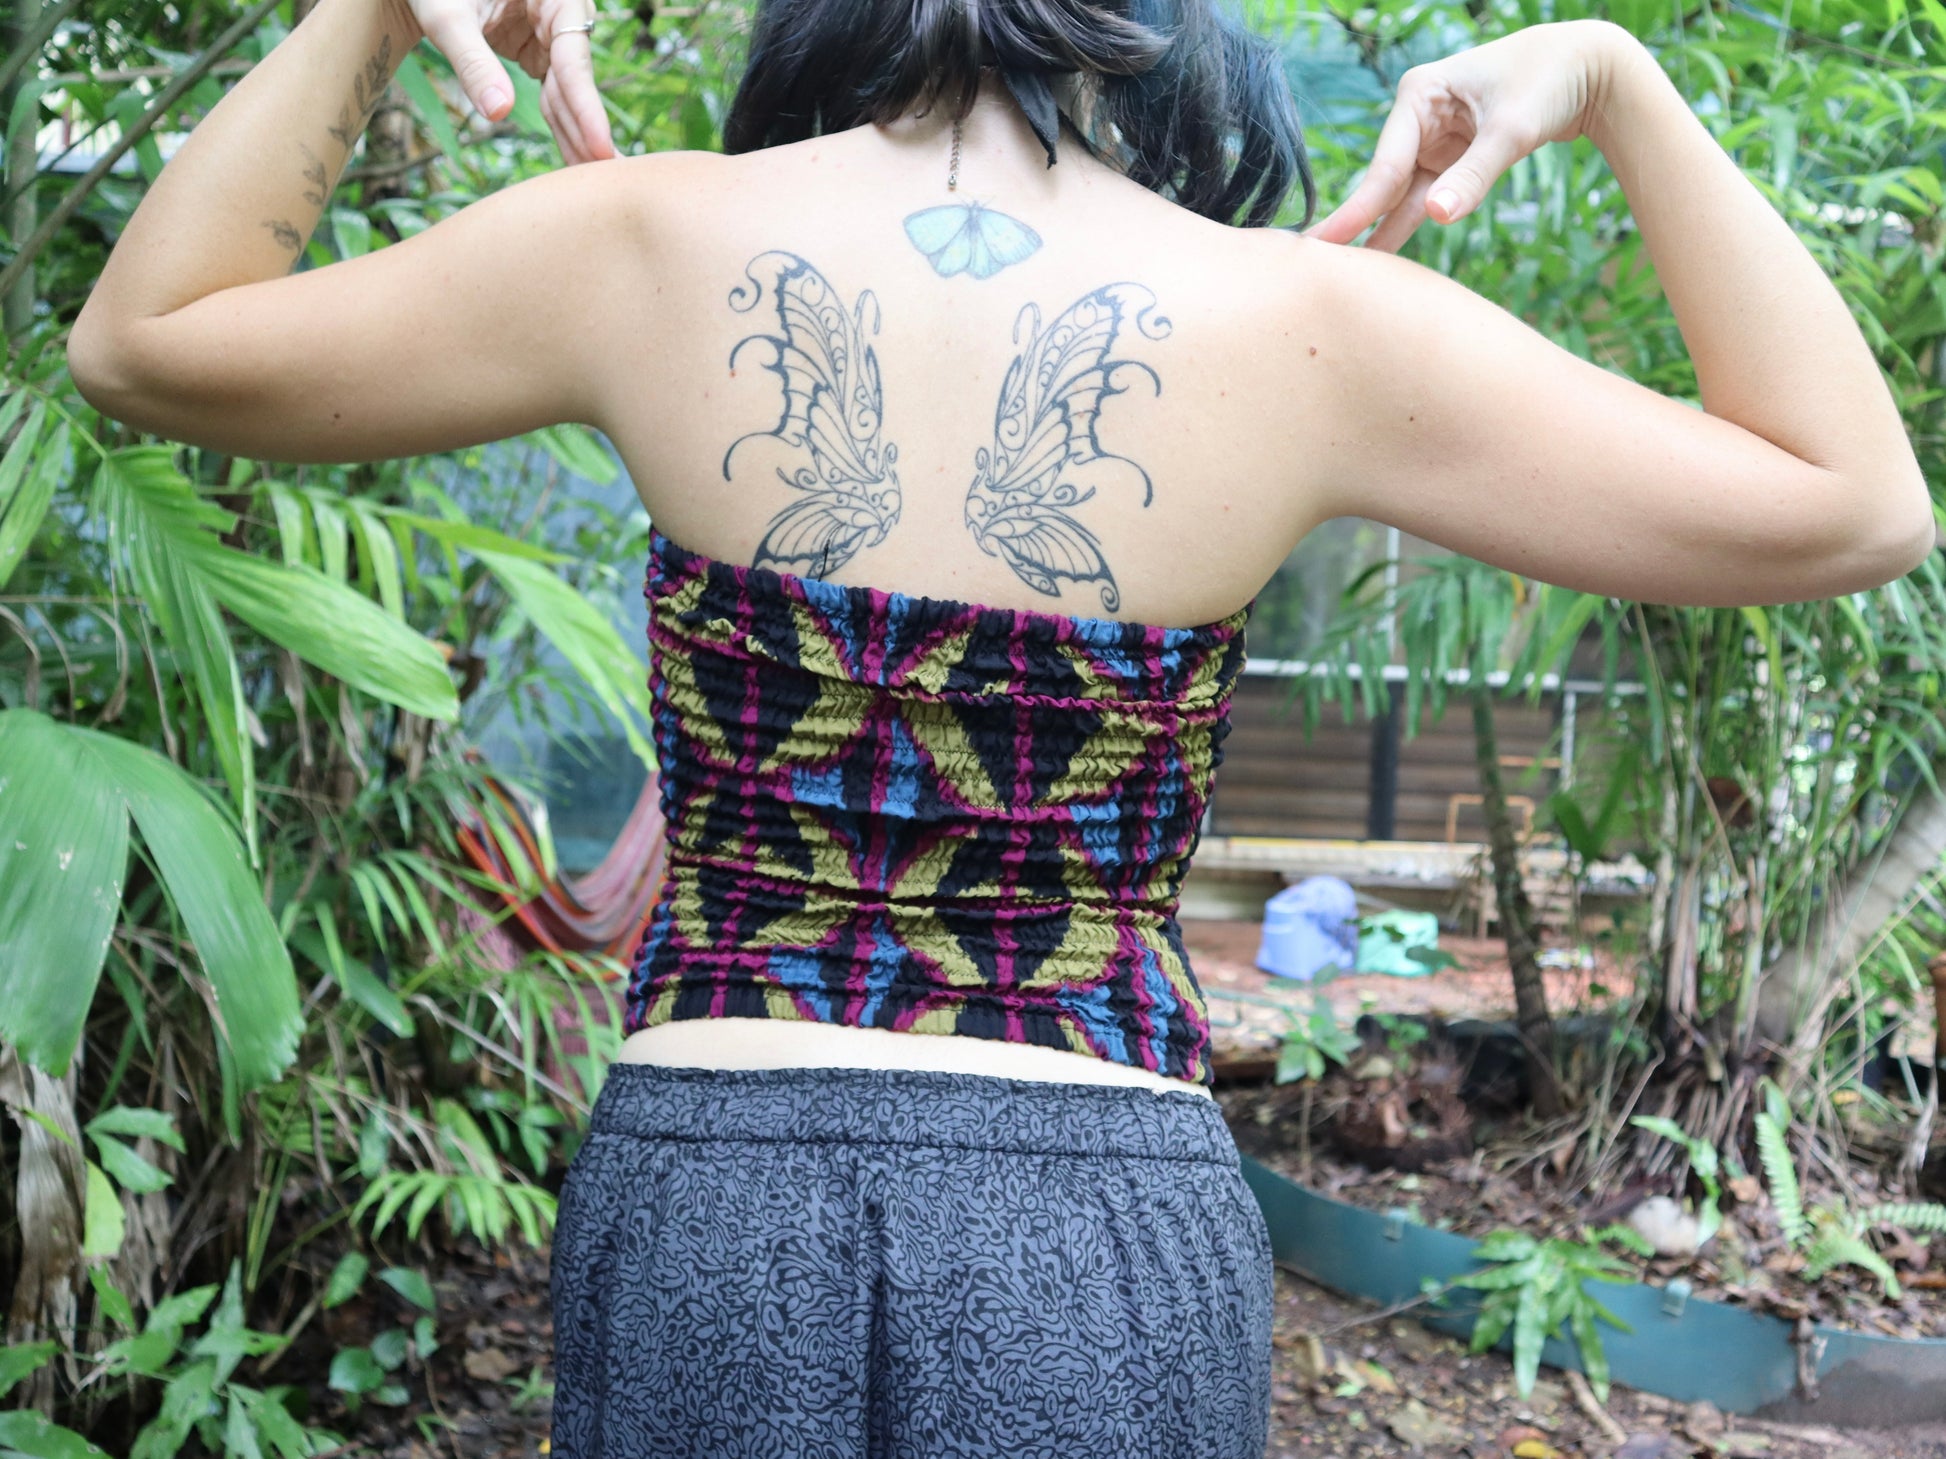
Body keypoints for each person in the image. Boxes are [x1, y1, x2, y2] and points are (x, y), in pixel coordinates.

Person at [67, 0, 1932, 1450]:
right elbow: (1850, 505)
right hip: (1101, 1225)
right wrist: (1613, 81)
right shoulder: (1314, 323)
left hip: (715, 1201)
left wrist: (369, 11)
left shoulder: (635, 239)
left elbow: (146, 343)